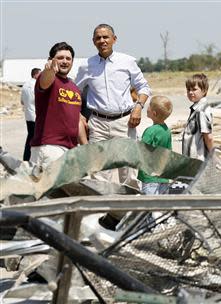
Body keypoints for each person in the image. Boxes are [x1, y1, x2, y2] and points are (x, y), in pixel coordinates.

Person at [75, 23, 151, 185]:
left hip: (125, 122)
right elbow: (74, 92)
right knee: (99, 172)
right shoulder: (86, 66)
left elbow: (143, 87)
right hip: (98, 124)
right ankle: (104, 209)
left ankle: (131, 209)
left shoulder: (127, 61)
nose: (102, 41)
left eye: (105, 37)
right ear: (93, 41)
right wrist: (78, 114)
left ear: (114, 39)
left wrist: (138, 107)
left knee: (129, 172)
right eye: (98, 38)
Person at [30, 42, 82, 169]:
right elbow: (45, 81)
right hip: (49, 147)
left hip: (70, 149)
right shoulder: (48, 78)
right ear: (51, 60)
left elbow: (78, 120)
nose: (64, 61)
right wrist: (49, 71)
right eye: (60, 58)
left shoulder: (74, 87)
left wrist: (86, 147)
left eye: (68, 58)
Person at [137, 95, 173, 194]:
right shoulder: (167, 130)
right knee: (161, 206)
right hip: (163, 177)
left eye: (149, 106)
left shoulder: (150, 132)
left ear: (154, 113)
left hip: (150, 177)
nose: (146, 108)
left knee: (150, 206)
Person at [182, 73, 214, 161]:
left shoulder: (201, 110)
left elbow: (208, 136)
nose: (190, 92)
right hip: (192, 158)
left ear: (204, 90)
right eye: (188, 89)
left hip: (197, 159)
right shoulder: (196, 108)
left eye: (194, 89)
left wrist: (213, 156)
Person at [21, 67, 41, 161]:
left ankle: (26, 158)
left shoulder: (25, 85)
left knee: (30, 137)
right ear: (35, 74)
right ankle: (31, 159)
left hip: (28, 116)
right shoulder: (36, 85)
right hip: (36, 116)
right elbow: (39, 100)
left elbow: (22, 101)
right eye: (40, 74)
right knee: (35, 139)